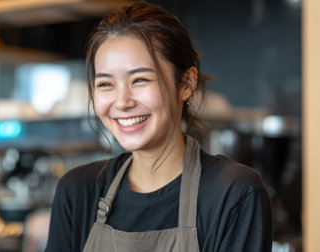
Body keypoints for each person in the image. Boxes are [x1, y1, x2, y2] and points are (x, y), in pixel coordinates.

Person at [45, 2, 272, 252]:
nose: (122, 102)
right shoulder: (78, 192)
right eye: (106, 84)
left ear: (186, 83)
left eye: (140, 80)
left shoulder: (233, 193)